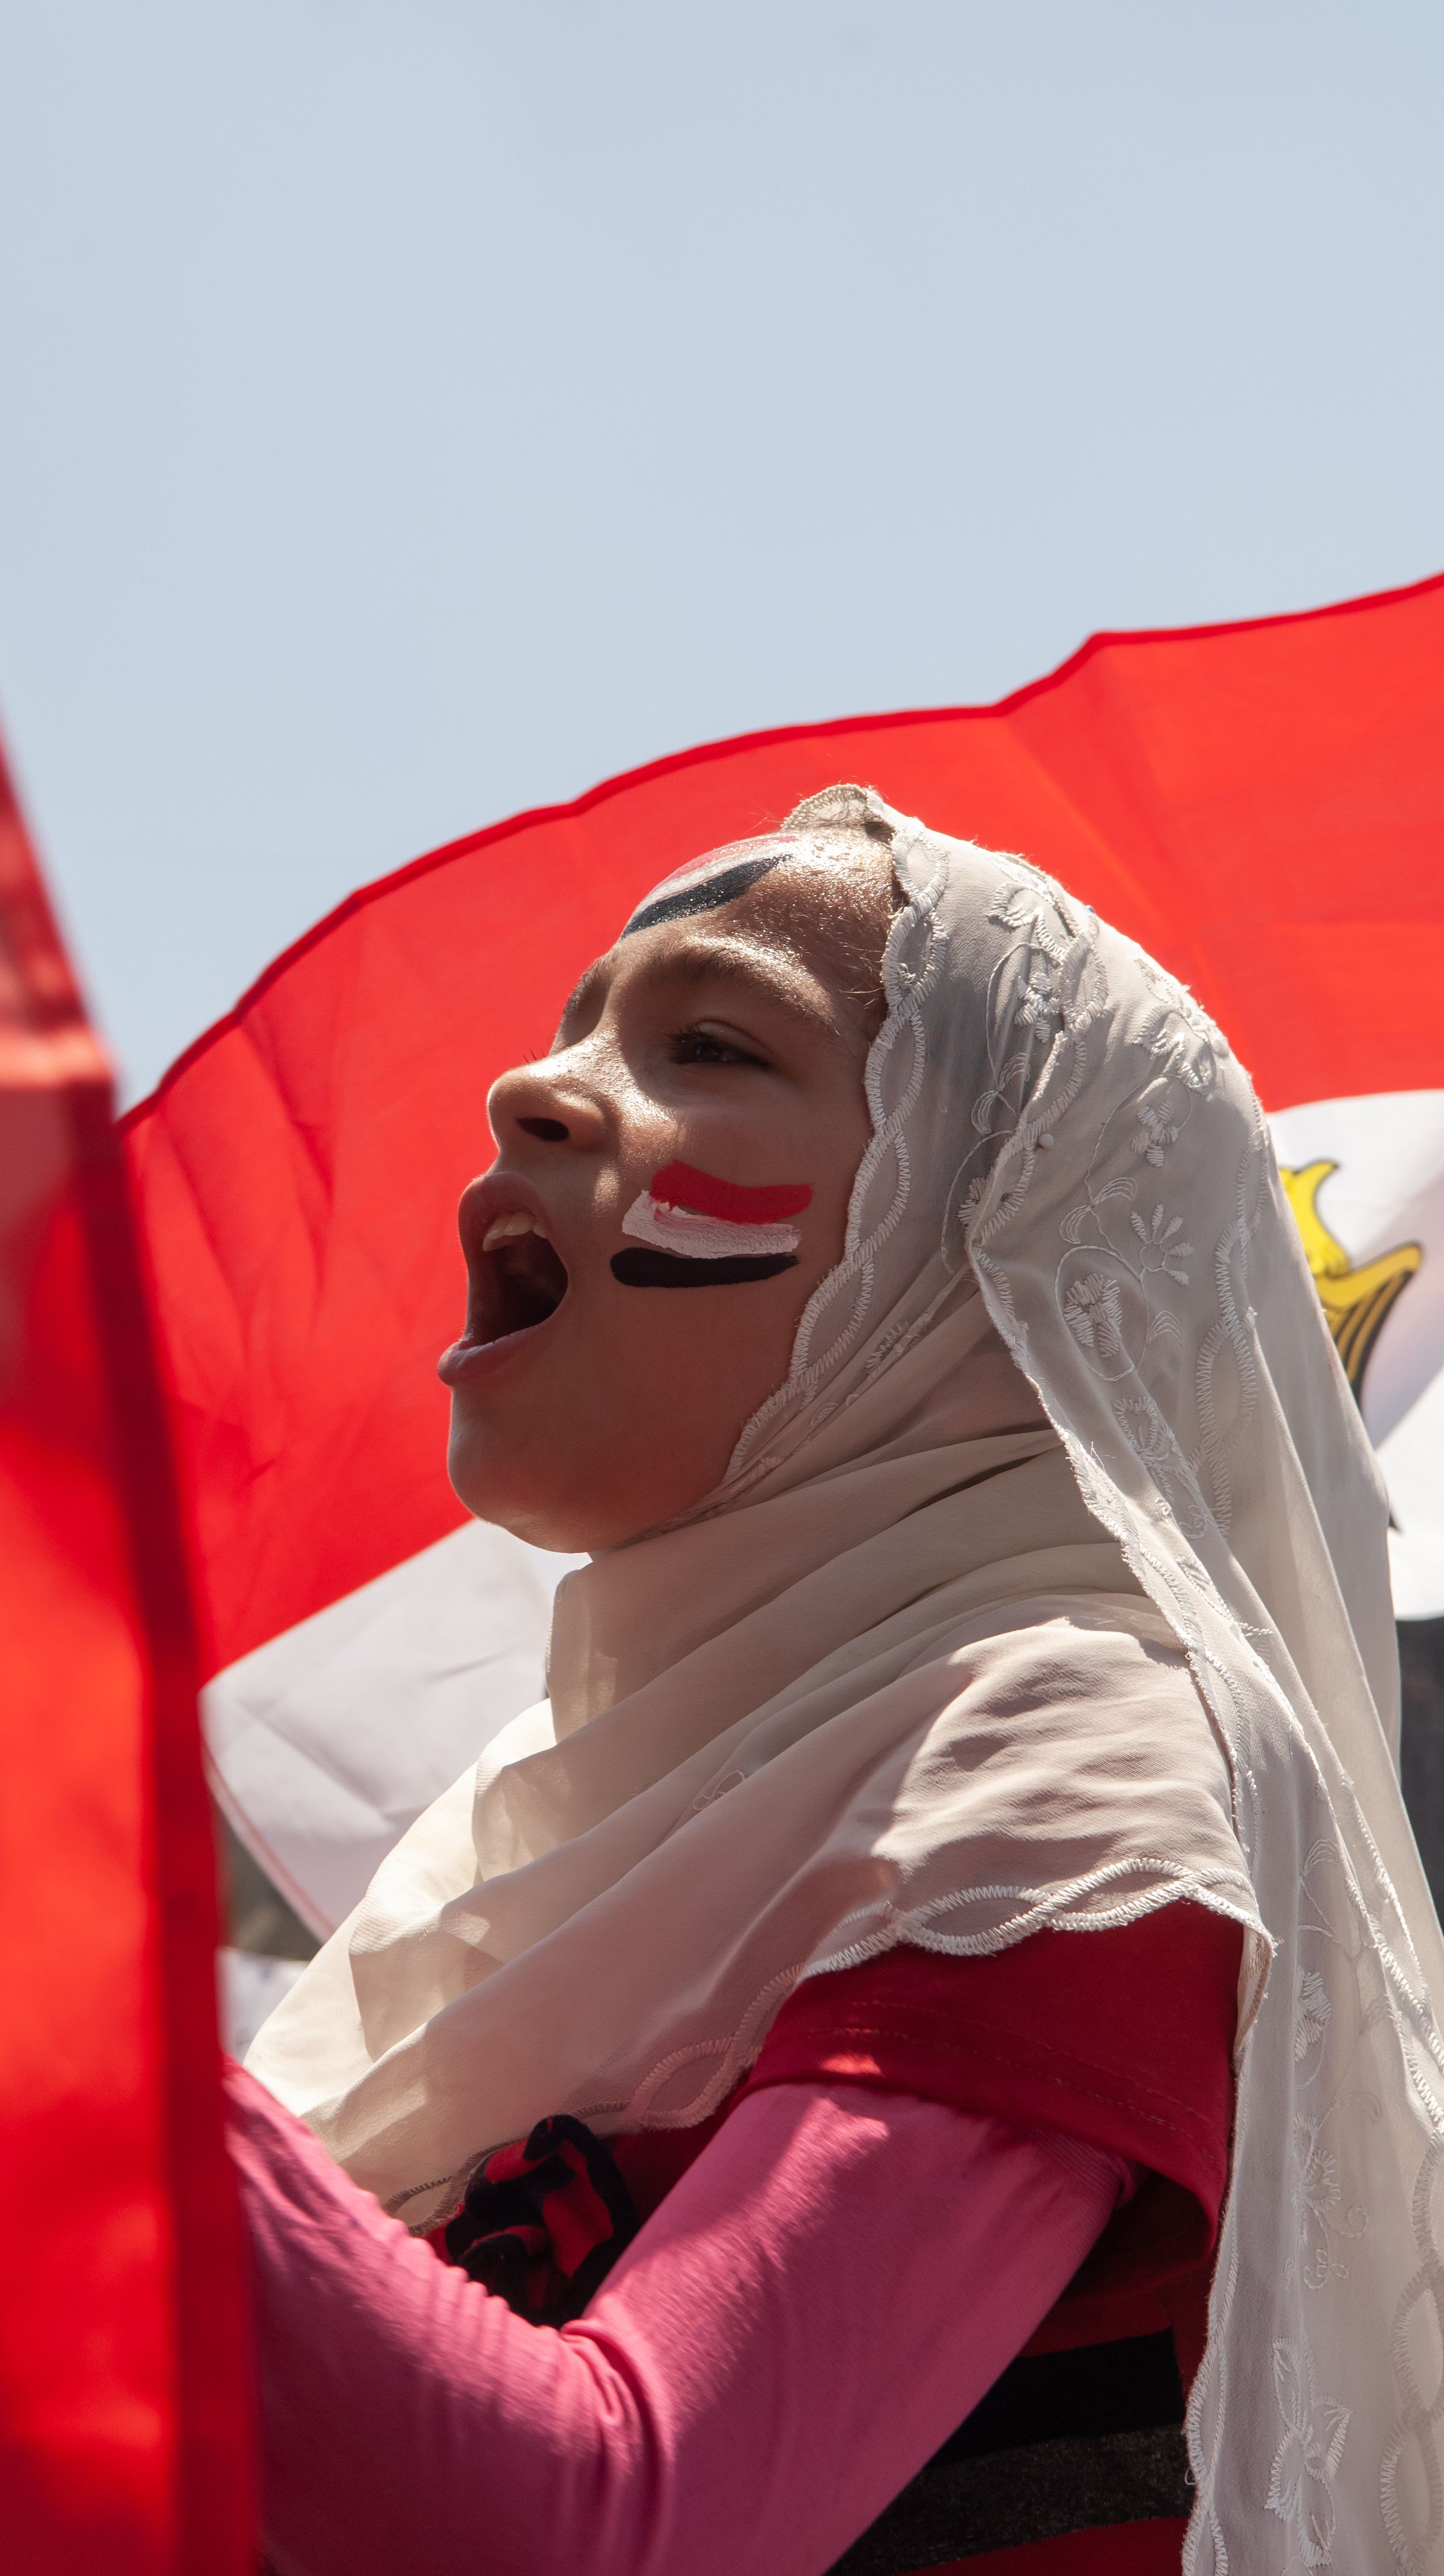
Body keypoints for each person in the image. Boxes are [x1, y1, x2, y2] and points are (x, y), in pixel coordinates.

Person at [226, 785, 1444, 2575]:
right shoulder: (518, 1834)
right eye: (573, 1030)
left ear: (984, 1253)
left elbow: (605, 2530)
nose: (530, 1091)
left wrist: (36, 1995)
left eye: (706, 1041)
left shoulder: (1060, 1771)